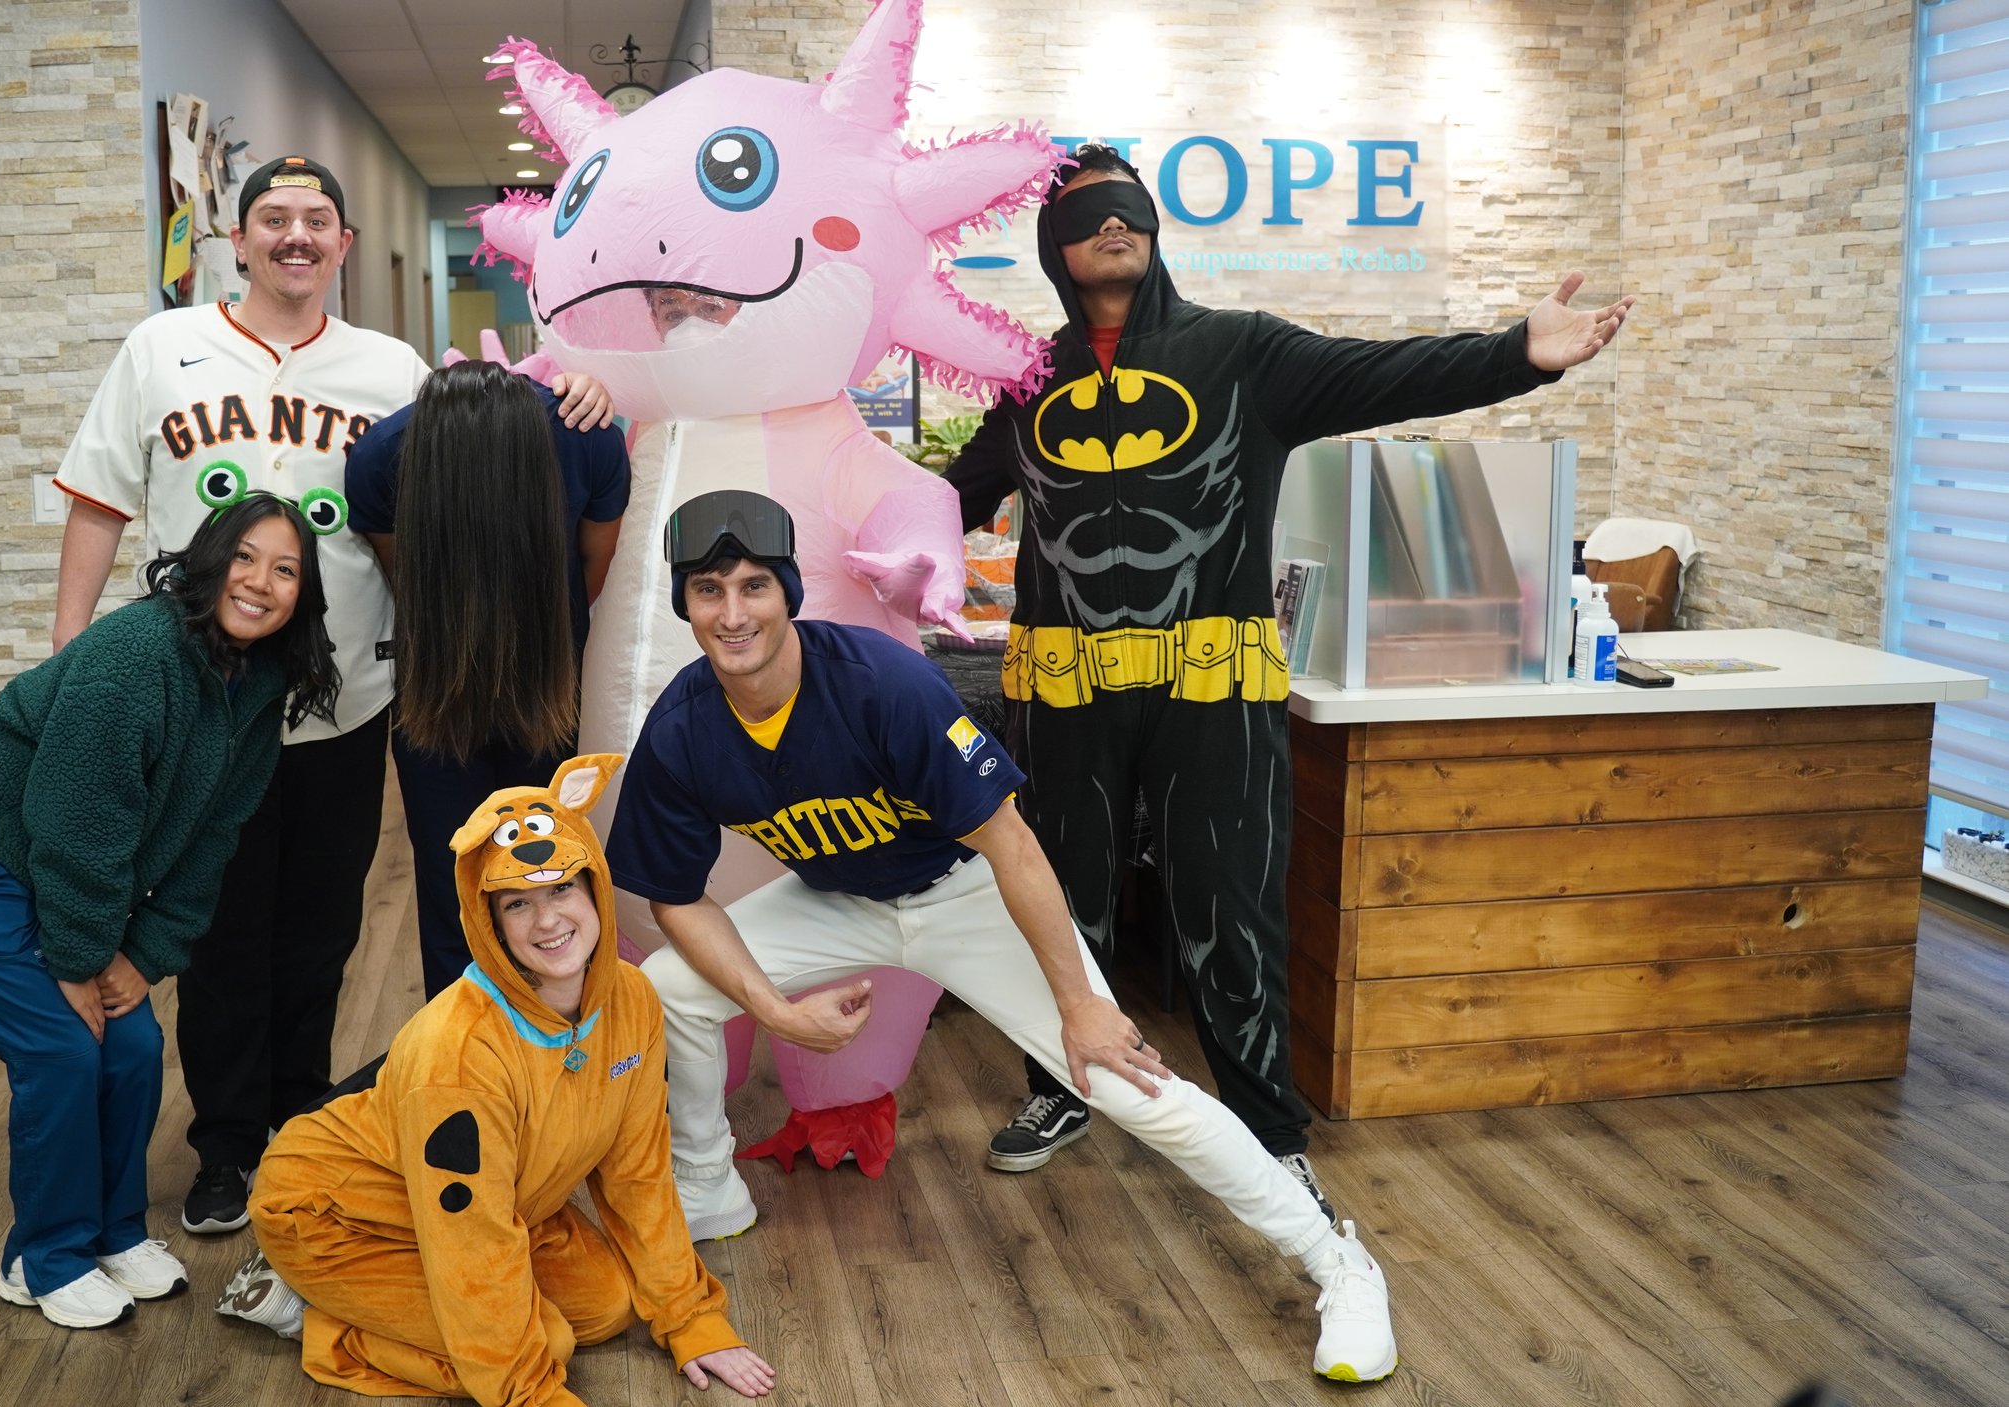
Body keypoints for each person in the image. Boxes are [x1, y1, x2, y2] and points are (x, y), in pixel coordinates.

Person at [944, 145, 1634, 1203]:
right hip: (1070, 702)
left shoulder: (1242, 354)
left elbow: (1383, 371)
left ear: (1153, 228)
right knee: (1060, 908)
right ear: (1055, 246)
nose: (1112, 226)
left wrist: (1514, 355)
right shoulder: (1027, 385)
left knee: (1231, 910)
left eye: (1127, 210)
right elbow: (937, 502)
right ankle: (1062, 1083)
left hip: (1212, 696)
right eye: (1086, 216)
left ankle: (1268, 1133)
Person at [607, 490, 1398, 1383]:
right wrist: (772, 1010)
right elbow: (678, 898)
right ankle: (706, 1183)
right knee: (669, 986)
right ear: (685, 604)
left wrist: (1078, 1008)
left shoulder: (884, 685)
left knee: (1120, 1077)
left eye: (754, 585)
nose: (733, 611)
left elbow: (1012, 843)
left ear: (789, 592)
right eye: (709, 590)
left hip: (964, 890)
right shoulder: (681, 731)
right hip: (839, 896)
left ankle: (1338, 1258)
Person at [46, 153, 612, 1235]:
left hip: (349, 699)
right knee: (217, 937)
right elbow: (98, 505)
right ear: (239, 239)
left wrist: (575, 387)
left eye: (317, 221)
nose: (296, 236)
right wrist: (70, 660)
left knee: (318, 933)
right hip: (201, 708)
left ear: (344, 246)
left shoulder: (391, 367)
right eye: (273, 219)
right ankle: (224, 1147)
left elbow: (462, 487)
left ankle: (300, 1125)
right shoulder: (160, 349)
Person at [0, 494, 340, 1329]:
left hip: (47, 872)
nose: (260, 582)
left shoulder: (258, 680)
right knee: (63, 1048)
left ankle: (112, 1232)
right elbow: (76, 819)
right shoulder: (136, 655)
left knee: (131, 1039)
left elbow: (214, 835)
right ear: (209, 561)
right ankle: (42, 1258)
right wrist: (77, 957)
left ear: (302, 596)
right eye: (244, 557)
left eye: (285, 570)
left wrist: (144, 953)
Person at [226, 755, 777, 1405]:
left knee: (605, 1308)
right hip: (333, 1213)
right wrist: (533, 1393)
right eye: (518, 902)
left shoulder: (631, 998)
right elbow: (470, 1242)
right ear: (489, 920)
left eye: (561, 887)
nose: (548, 921)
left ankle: (380, 1306)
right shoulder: (457, 1055)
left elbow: (639, 1174)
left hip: (504, 1200)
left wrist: (691, 1318)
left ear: (594, 885)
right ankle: (319, 1315)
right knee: (543, 1342)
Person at [344, 358, 628, 999]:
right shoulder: (587, 440)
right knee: (513, 877)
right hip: (450, 691)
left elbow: (402, 575)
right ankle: (513, 1048)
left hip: (529, 688)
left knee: (484, 886)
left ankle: (502, 1047)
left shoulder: (380, 453)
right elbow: (591, 567)